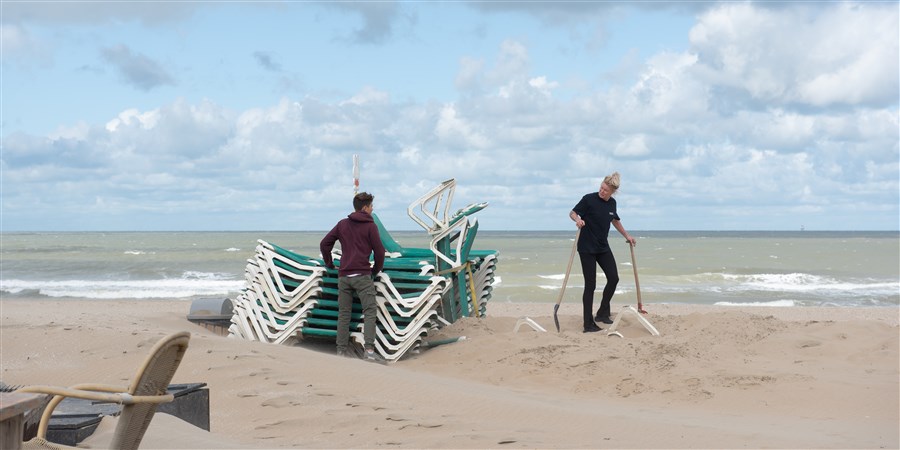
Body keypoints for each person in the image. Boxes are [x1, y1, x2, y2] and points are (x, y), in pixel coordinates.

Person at [320, 192, 386, 362]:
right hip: (363, 275)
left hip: (344, 276)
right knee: (370, 311)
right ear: (365, 207)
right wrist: (376, 270)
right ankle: (369, 352)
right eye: (371, 206)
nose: (372, 209)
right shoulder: (371, 227)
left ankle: (341, 351)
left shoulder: (342, 224)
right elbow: (379, 252)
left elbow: (324, 244)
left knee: (344, 314)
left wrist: (329, 263)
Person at [569, 172, 637, 333]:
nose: (602, 191)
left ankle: (602, 312)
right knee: (590, 285)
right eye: (601, 187)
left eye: (606, 190)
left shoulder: (612, 204)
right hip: (586, 248)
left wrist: (627, 236)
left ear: (613, 191)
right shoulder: (589, 199)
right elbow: (572, 212)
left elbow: (615, 220)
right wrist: (577, 220)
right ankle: (588, 324)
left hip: (602, 247)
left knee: (614, 278)